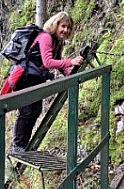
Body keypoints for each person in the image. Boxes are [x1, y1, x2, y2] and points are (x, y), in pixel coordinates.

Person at [11, 11, 84, 154]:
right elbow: (48, 62)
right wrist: (71, 62)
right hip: (25, 77)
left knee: (36, 111)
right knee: (26, 112)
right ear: (56, 25)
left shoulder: (58, 41)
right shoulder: (45, 37)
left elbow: (58, 61)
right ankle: (18, 146)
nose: (65, 30)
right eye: (63, 26)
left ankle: (25, 145)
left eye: (68, 28)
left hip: (36, 78)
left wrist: (70, 77)